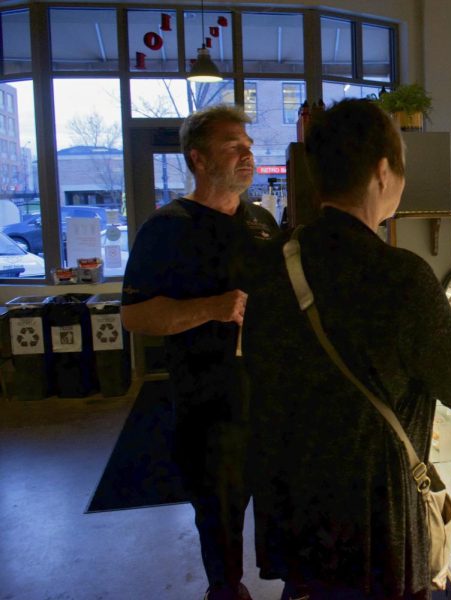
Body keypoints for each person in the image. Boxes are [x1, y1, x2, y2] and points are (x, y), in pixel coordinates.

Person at [241, 99, 451, 599]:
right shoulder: (400, 277)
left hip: (294, 503)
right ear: (382, 172)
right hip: (376, 523)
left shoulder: (269, 266)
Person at [121, 104, 280, 600]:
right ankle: (226, 590)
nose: (247, 154)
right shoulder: (167, 227)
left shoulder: (262, 222)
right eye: (233, 146)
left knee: (280, 508)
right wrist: (210, 307)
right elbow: (136, 316)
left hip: (271, 399)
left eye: (249, 146)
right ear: (199, 159)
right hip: (210, 409)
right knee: (221, 519)